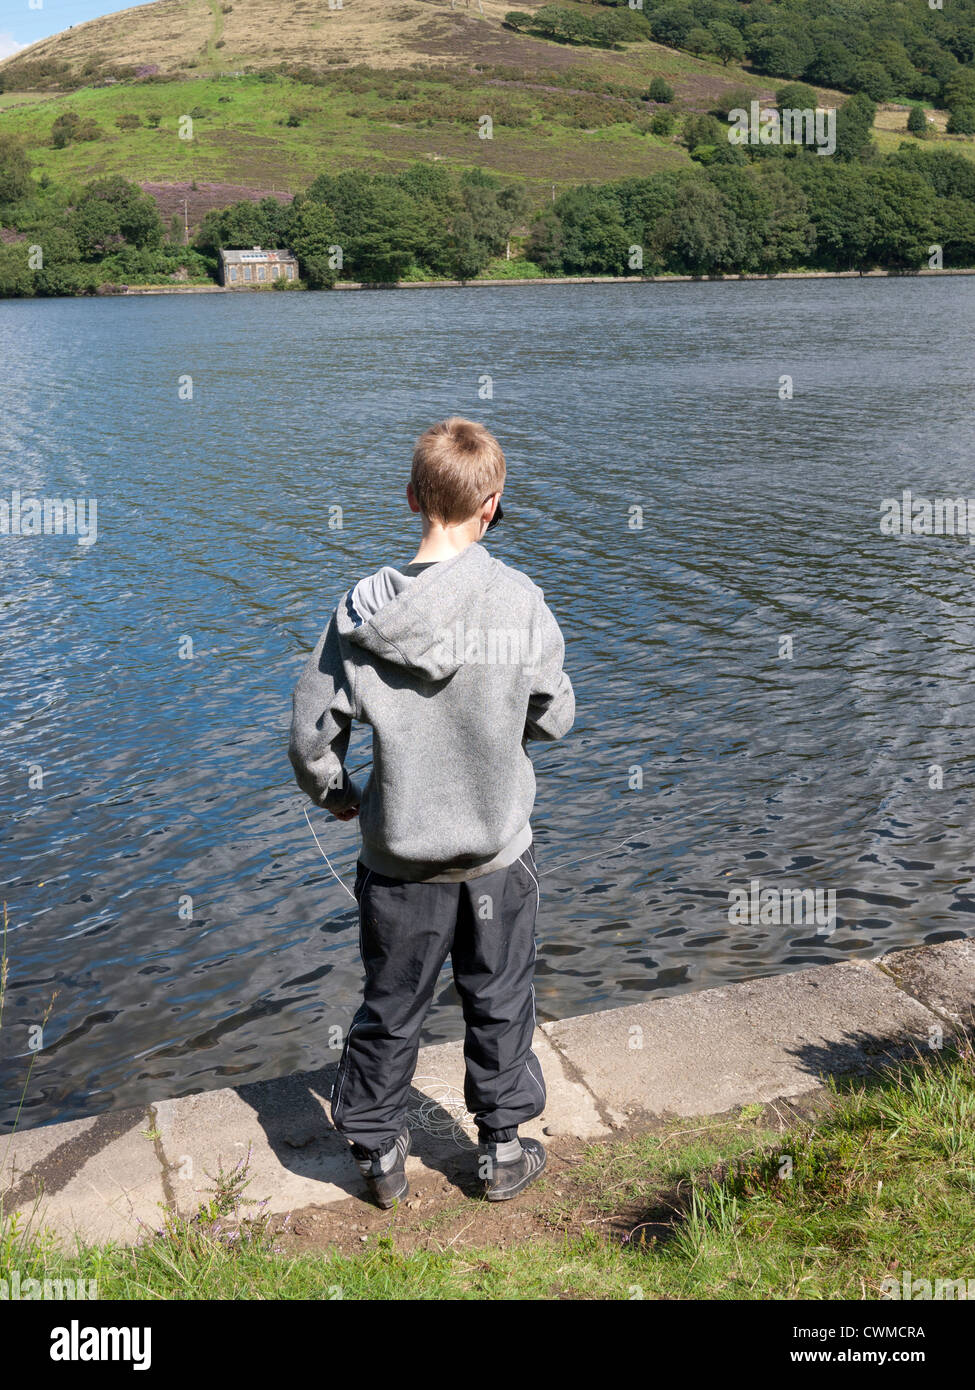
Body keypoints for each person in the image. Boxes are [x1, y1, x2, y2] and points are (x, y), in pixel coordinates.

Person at [289, 417, 574, 1207]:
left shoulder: (358, 615)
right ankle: (502, 1152)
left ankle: (378, 1161)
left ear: (412, 497)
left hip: (398, 858)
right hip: (494, 856)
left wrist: (341, 797)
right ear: (492, 504)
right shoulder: (518, 600)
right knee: (500, 997)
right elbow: (553, 717)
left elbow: (313, 739)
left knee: (391, 1004)